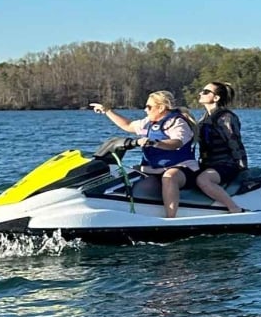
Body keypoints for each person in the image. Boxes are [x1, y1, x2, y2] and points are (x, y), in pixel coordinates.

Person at [90, 90, 200, 218]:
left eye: (149, 107)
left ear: (161, 108)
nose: (145, 110)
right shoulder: (148, 122)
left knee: (169, 177)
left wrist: (156, 143)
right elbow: (128, 125)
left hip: (183, 168)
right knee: (128, 173)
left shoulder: (177, 122)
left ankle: (171, 218)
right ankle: (122, 211)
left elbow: (177, 142)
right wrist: (107, 111)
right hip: (154, 169)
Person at [193, 81, 248, 214]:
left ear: (216, 98)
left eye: (206, 92)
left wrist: (243, 169)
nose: (201, 93)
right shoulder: (205, 118)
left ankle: (233, 208)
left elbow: (235, 144)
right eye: (202, 90)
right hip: (209, 164)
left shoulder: (226, 118)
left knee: (203, 180)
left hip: (226, 165)